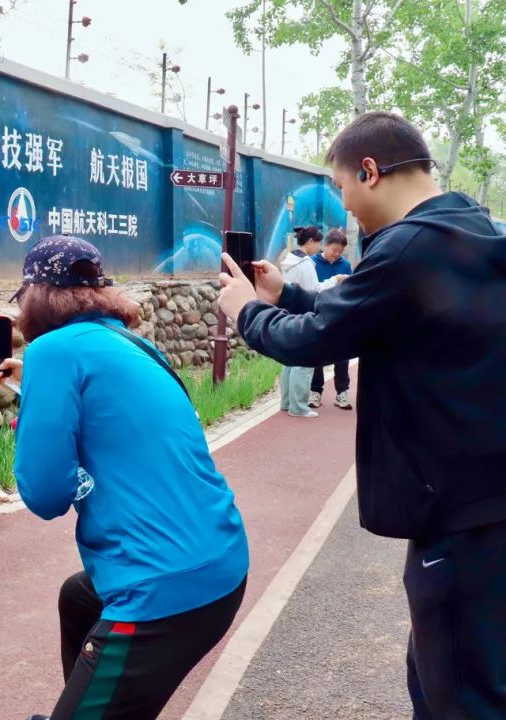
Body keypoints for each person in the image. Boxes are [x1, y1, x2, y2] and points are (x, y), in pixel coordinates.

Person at [217, 111, 506, 720]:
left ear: (370, 171)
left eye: (343, 187)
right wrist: (287, 295)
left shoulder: (405, 245)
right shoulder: (470, 227)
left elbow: (314, 339)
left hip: (453, 513)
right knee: (456, 675)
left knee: (457, 693)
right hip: (485, 501)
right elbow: (376, 314)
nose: (345, 206)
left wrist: (246, 311)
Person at [0, 235, 248, 720]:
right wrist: (34, 389)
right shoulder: (135, 344)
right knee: (78, 599)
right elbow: (112, 418)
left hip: (162, 588)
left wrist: (39, 399)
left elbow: (45, 494)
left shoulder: (52, 352)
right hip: (221, 559)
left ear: (35, 297)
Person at [278, 226, 325, 418]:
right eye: (319, 243)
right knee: (304, 362)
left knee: (289, 361)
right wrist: (334, 281)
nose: (319, 248)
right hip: (304, 316)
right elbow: (314, 290)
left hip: (288, 314)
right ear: (311, 241)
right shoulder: (305, 264)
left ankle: (287, 402)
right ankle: (299, 406)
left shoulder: (288, 261)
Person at [310, 228, 354, 410]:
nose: (336, 254)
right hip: (318, 312)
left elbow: (350, 288)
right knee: (317, 353)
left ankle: (342, 392)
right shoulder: (312, 263)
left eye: (340, 252)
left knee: (342, 354)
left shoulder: (346, 265)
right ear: (325, 245)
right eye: (334, 250)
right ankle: (315, 391)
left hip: (339, 314)